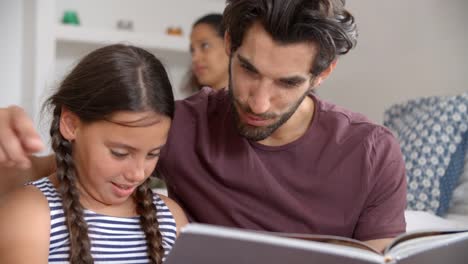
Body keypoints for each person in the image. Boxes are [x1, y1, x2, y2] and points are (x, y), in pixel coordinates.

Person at [0, 0, 406, 253]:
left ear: (323, 73)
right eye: (248, 70)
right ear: (230, 43)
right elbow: (49, 172)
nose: (259, 102)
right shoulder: (181, 126)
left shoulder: (372, 152)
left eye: (287, 83)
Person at [0, 44, 188, 263]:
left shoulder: (170, 218)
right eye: (119, 153)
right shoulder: (31, 214)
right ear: (71, 124)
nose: (137, 174)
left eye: (152, 154)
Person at [184, 13, 229, 94]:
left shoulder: (254, 103)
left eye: (205, 45)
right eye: (192, 50)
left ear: (229, 44)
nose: (195, 58)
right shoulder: (190, 105)